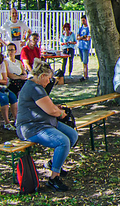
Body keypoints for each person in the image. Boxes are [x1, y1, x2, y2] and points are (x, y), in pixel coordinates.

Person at [16, 60, 78, 191]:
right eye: (48, 78)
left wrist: (56, 108)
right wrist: (61, 113)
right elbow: (52, 111)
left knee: (72, 135)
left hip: (45, 123)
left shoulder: (37, 86)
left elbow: (48, 106)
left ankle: (53, 163)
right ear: (42, 76)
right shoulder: (34, 88)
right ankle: (54, 179)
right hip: (32, 128)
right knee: (63, 142)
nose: (49, 81)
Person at [77, 15, 92, 81]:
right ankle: (84, 74)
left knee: (85, 62)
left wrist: (82, 37)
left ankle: (85, 76)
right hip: (80, 46)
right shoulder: (80, 28)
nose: (83, 22)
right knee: (82, 61)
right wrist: (83, 37)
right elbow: (77, 37)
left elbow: (88, 38)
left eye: (84, 20)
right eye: (82, 20)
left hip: (85, 47)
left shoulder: (88, 29)